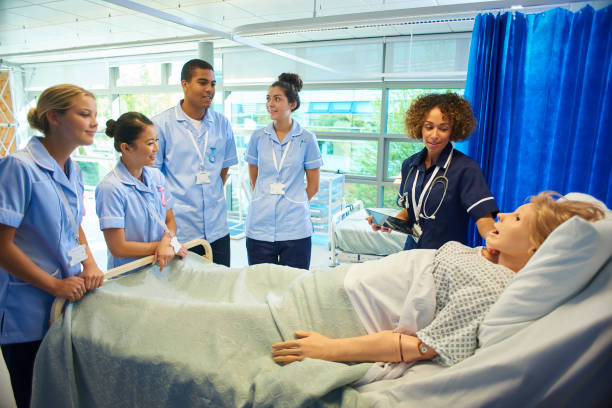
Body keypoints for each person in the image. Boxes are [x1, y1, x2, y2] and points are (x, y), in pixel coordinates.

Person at [273, 192, 604, 369]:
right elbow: (412, 211)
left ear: (536, 248)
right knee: (264, 281)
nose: (501, 215)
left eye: (516, 218)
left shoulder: (493, 290)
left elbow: (419, 347)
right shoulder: (487, 258)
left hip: (348, 305)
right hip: (343, 282)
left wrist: (329, 349)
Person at [0, 84, 105, 408]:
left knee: (63, 393)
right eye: (85, 115)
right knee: (35, 395)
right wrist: (54, 284)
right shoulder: (19, 167)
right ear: (54, 117)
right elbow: (2, 245)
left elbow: (72, 226)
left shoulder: (72, 169)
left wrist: (88, 263)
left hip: (66, 299)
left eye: (95, 116)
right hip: (27, 306)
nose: (94, 123)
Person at [369, 93, 498, 250]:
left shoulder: (466, 169)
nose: (434, 135)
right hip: (412, 253)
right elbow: (410, 211)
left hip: (446, 258)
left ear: (453, 130)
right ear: (419, 127)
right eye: (429, 127)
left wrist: (494, 240)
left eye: (443, 129)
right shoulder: (409, 165)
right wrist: (390, 223)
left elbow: (484, 217)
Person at [152, 59, 237, 267]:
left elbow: (223, 170)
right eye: (202, 82)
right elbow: (154, 179)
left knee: (221, 289)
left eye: (213, 84)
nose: (209, 89)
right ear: (185, 84)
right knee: (186, 295)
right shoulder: (161, 125)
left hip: (218, 230)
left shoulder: (222, 123)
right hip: (181, 232)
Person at [245, 73, 322, 269]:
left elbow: (313, 186)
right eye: (268, 98)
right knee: (260, 286)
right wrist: (265, 200)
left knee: (293, 287)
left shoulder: (307, 139)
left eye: (277, 99)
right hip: (259, 227)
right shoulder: (257, 138)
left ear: (292, 104)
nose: (270, 103)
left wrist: (294, 203)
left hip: (295, 229)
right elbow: (254, 179)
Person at [95, 112, 188, 271]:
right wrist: (161, 246)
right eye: (150, 143)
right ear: (126, 148)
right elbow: (118, 248)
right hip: (129, 274)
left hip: (158, 267)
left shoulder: (157, 177)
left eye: (156, 141)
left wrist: (166, 242)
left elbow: (170, 221)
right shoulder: (111, 188)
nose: (157, 148)